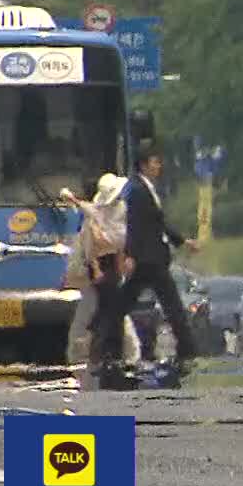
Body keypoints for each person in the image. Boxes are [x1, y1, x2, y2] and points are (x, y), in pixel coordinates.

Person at [100, 147, 198, 375]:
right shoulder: (136, 189)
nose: (158, 166)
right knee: (169, 305)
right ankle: (188, 349)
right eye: (155, 162)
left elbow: (158, 223)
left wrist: (182, 242)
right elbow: (134, 224)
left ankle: (109, 349)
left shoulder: (145, 188)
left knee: (124, 305)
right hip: (147, 259)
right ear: (144, 165)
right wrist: (131, 254)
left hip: (150, 259)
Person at [62, 173, 138, 367]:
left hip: (108, 269)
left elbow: (115, 243)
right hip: (102, 269)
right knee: (107, 313)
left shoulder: (116, 215)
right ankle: (124, 355)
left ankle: (85, 355)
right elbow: (93, 245)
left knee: (99, 314)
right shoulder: (102, 214)